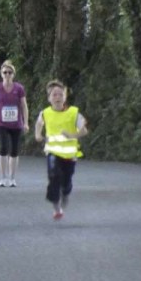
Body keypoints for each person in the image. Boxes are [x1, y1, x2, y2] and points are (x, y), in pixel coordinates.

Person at [34, 80, 88, 220]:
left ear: (65, 97)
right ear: (49, 98)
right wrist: (38, 135)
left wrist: (73, 134)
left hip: (69, 154)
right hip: (52, 151)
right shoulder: (45, 113)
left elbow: (84, 129)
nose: (57, 97)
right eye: (54, 95)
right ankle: (57, 208)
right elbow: (39, 124)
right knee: (53, 176)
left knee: (66, 181)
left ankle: (65, 192)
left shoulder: (73, 112)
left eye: (60, 94)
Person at [0, 60, 29, 187]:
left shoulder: (19, 88)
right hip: (1, 123)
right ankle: (3, 177)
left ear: (13, 74)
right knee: (3, 148)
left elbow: (24, 106)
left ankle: (12, 178)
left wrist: (26, 123)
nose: (7, 74)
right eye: (5, 72)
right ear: (1, 74)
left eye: (10, 72)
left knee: (15, 151)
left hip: (16, 124)